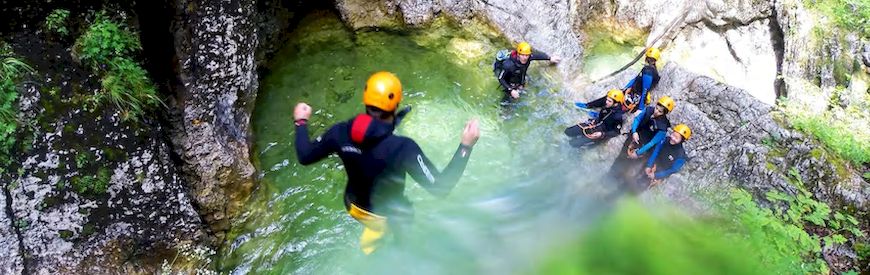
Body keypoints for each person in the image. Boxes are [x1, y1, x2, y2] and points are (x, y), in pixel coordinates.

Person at [292, 71, 481, 255]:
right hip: (388, 216)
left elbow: (305, 155)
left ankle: (374, 233)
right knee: (403, 242)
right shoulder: (402, 148)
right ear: (396, 104)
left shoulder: (340, 132)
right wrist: (466, 146)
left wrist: (301, 121)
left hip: (353, 207)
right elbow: (441, 188)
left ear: (366, 101)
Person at [608, 96, 675, 190]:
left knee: (630, 165)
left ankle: (619, 183)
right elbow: (637, 119)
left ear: (664, 113)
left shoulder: (662, 127)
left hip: (644, 147)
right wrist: (634, 131)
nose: (656, 111)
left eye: (660, 111)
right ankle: (609, 177)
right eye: (657, 108)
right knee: (621, 157)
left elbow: (652, 143)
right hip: (634, 138)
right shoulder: (649, 110)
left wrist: (638, 153)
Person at [494, 42, 559, 101]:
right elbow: (501, 78)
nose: (525, 58)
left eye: (527, 55)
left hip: (519, 76)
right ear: (518, 54)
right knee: (510, 98)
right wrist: (511, 90)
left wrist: (550, 58)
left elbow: (537, 55)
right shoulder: (509, 65)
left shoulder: (528, 57)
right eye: (522, 55)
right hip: (508, 81)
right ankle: (504, 112)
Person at [635, 124, 691, 188]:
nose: (673, 138)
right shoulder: (665, 140)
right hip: (653, 165)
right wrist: (649, 165)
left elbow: (672, 170)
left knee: (643, 186)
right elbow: (655, 152)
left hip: (661, 172)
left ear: (682, 140)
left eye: (676, 138)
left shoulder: (680, 156)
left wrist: (656, 175)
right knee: (638, 178)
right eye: (673, 135)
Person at [619, 47, 661, 113]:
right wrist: (625, 88)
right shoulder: (649, 69)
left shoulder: (648, 71)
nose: (647, 59)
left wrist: (640, 107)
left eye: (649, 58)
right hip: (634, 90)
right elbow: (636, 79)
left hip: (636, 95)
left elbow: (645, 90)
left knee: (617, 106)